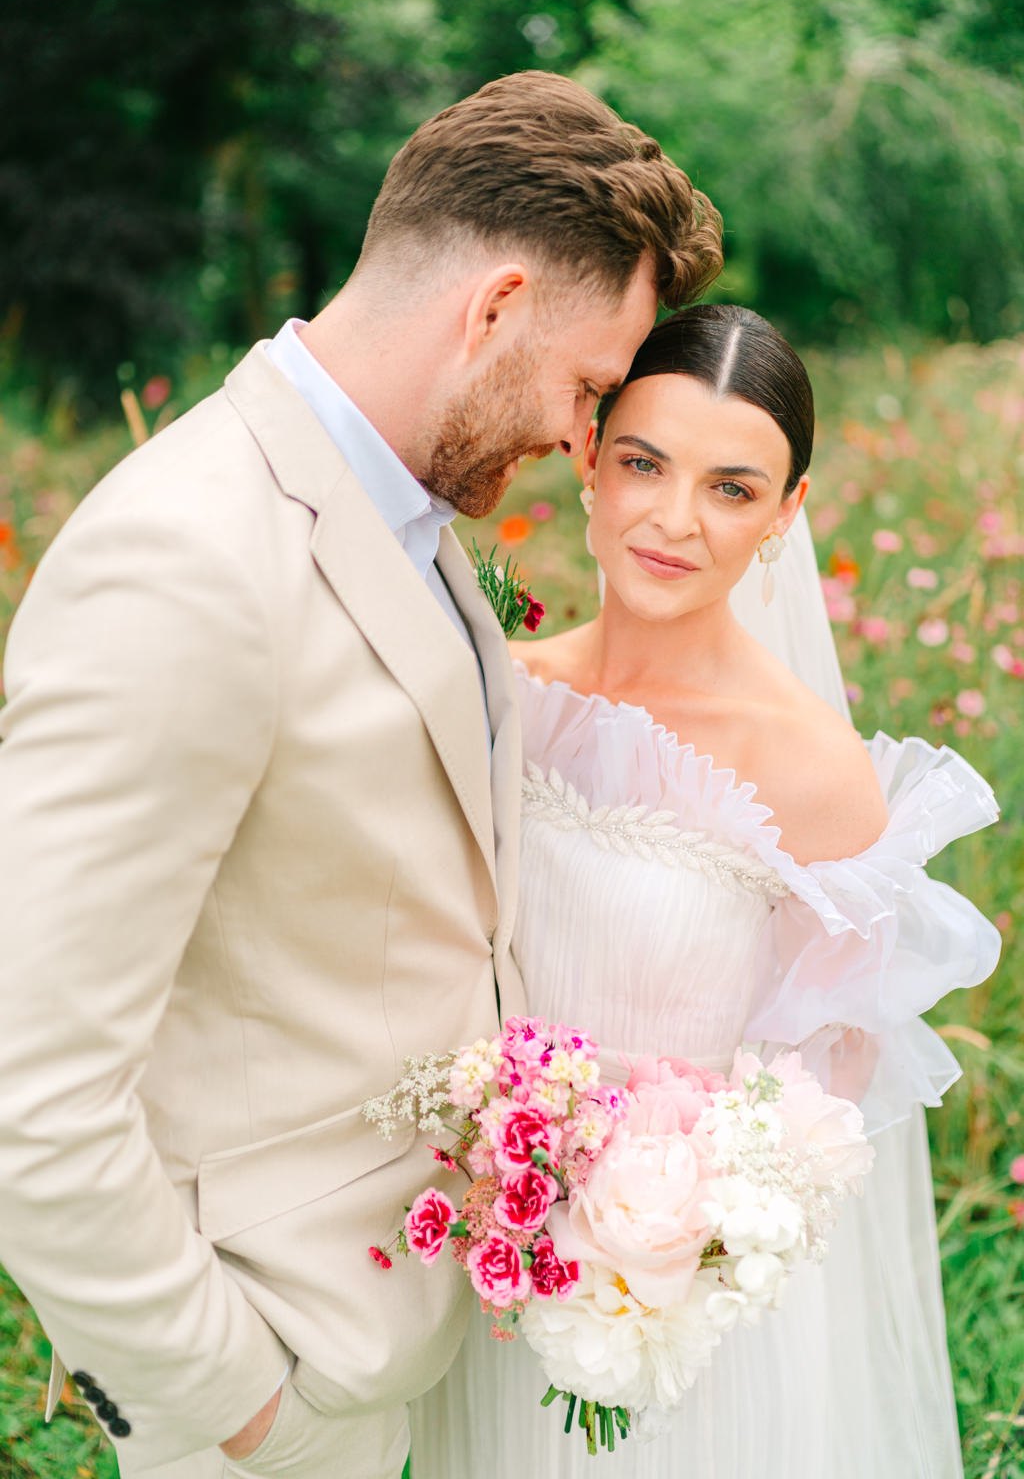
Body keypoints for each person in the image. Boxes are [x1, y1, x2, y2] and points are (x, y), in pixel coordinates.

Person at [0, 73, 723, 1479]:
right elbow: (27, 1082)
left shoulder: (413, 526)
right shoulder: (189, 554)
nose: (580, 441)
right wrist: (227, 1403)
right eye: (586, 388)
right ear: (496, 305)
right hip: (274, 1397)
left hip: (410, 1348)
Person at [410, 303, 1000, 1478]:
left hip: (677, 1316)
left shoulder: (812, 775)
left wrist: (660, 1245)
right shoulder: (496, 690)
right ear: (586, 457)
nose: (673, 521)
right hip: (492, 1256)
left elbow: (819, 1118)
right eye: (643, 463)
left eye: (733, 489)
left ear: (786, 515)